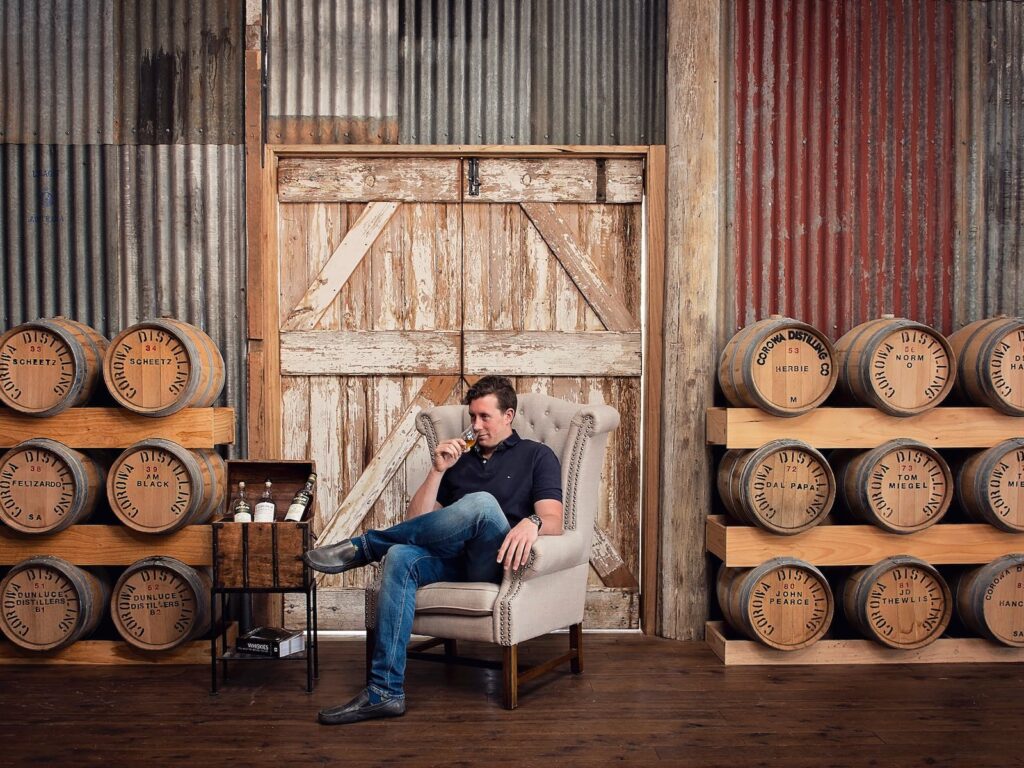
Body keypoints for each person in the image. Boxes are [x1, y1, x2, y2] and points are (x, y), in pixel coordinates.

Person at [303, 375, 564, 725]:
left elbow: (555, 520)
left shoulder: (536, 455)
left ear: (508, 416)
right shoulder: (461, 461)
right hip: (455, 561)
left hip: (498, 562)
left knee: (482, 503)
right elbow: (417, 525)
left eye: (484, 417)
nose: (475, 426)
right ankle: (384, 692)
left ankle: (366, 546)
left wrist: (532, 522)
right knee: (400, 555)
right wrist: (438, 471)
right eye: (472, 417)